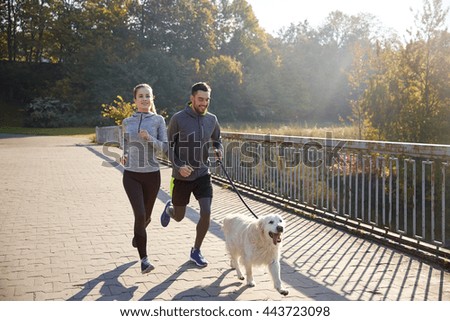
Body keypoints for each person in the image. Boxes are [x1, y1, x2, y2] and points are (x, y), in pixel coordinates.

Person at [160, 82, 222, 267]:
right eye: (200, 99)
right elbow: (168, 147)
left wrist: (219, 149)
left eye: (207, 100)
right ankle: (169, 208)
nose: (204, 103)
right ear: (192, 98)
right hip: (182, 176)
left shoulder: (212, 119)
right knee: (179, 216)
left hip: (203, 172)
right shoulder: (178, 119)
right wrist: (179, 166)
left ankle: (196, 251)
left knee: (206, 212)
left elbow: (217, 139)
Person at [121, 83, 168, 274]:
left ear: (152, 99)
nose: (144, 99)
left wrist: (149, 138)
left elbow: (164, 148)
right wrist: (124, 155)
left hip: (152, 176)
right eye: (140, 96)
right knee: (139, 215)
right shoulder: (127, 121)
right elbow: (125, 142)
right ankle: (144, 260)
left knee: (146, 217)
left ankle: (137, 234)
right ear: (135, 100)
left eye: (147, 96)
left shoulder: (158, 120)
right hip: (131, 175)